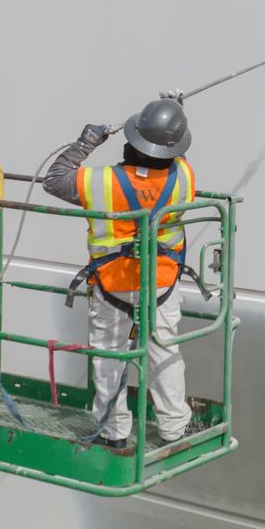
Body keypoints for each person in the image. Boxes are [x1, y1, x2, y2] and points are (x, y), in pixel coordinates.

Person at [42, 98, 198, 454]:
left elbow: (54, 181)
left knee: (110, 355)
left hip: (113, 286)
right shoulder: (184, 176)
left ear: (131, 141)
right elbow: (178, 157)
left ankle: (114, 429)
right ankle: (175, 426)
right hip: (161, 283)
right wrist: (174, 115)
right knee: (164, 351)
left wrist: (85, 143)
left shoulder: (101, 182)